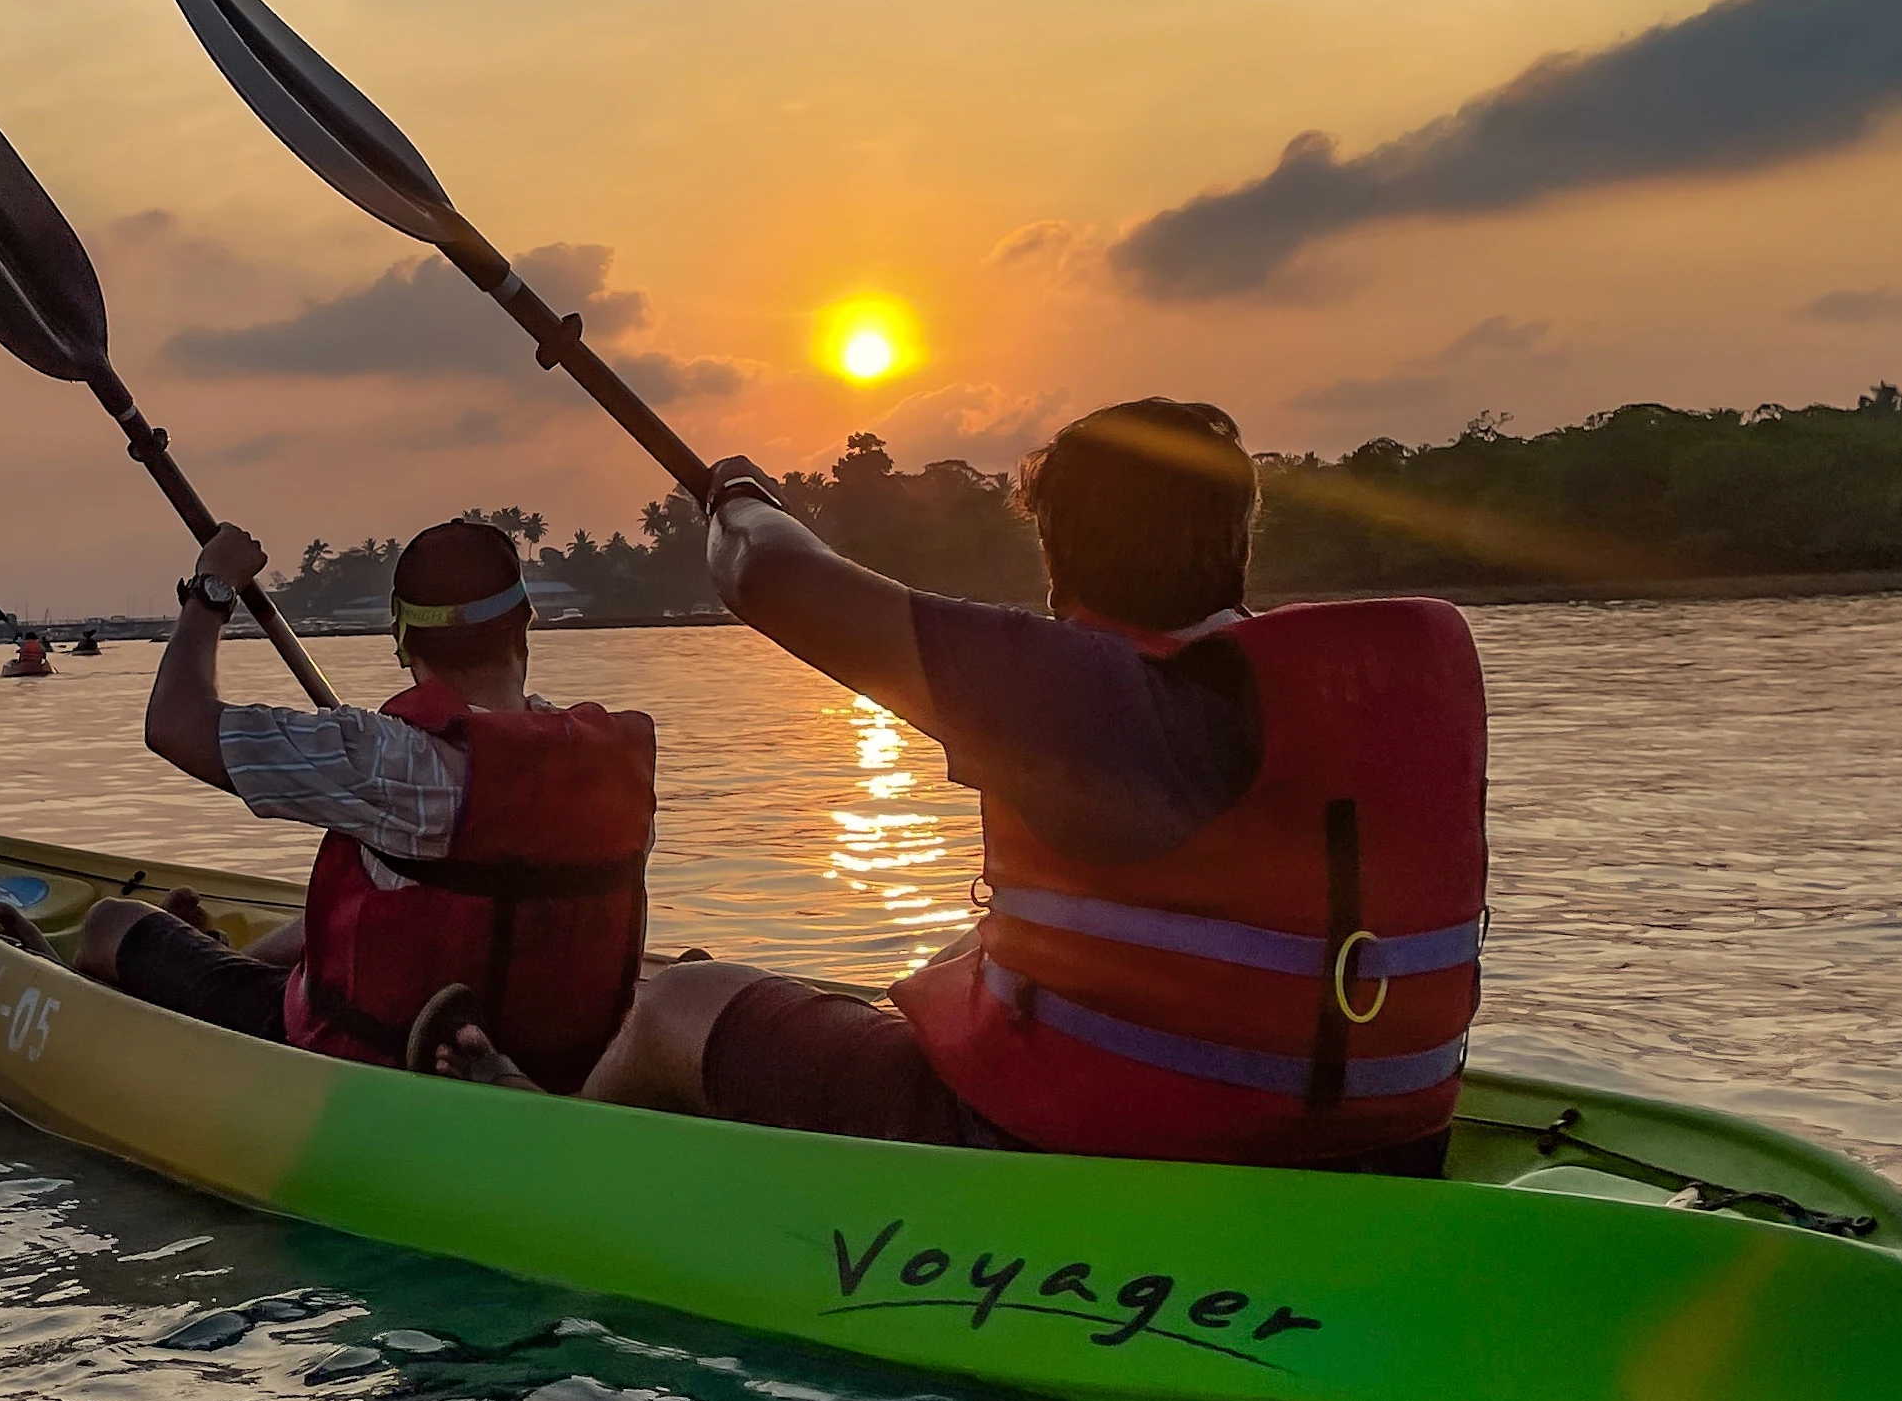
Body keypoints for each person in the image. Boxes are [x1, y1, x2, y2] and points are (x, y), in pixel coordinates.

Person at [437, 399, 1484, 1174]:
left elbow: (765, 575)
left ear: (1056, 551)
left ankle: (547, 1160)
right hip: (1382, 1138)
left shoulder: (1078, 688)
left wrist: (742, 496)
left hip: (1093, 1148)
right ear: (1237, 539)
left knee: (677, 999)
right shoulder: (1396, 678)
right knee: (952, 959)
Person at [41, 516, 658, 1093]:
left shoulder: (385, 758)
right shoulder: (614, 765)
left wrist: (213, 587)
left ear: (402, 639)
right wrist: (240, 958)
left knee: (108, 923)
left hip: (365, 1065)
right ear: (525, 622)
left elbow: (174, 723)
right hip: (565, 1061)